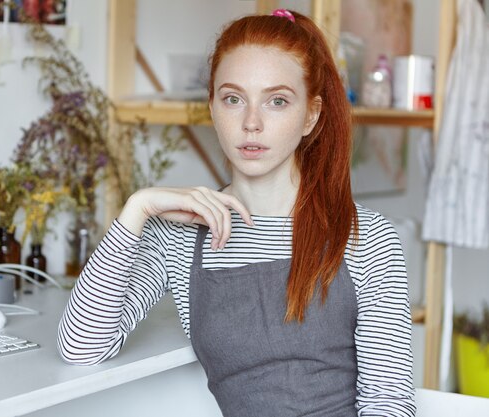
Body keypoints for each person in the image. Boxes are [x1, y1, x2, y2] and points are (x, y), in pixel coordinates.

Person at [57, 9, 416, 417]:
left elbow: (389, 404)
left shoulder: (366, 237)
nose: (251, 123)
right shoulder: (178, 234)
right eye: (233, 99)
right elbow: (81, 348)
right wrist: (137, 208)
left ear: (310, 115)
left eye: (277, 101)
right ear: (212, 106)